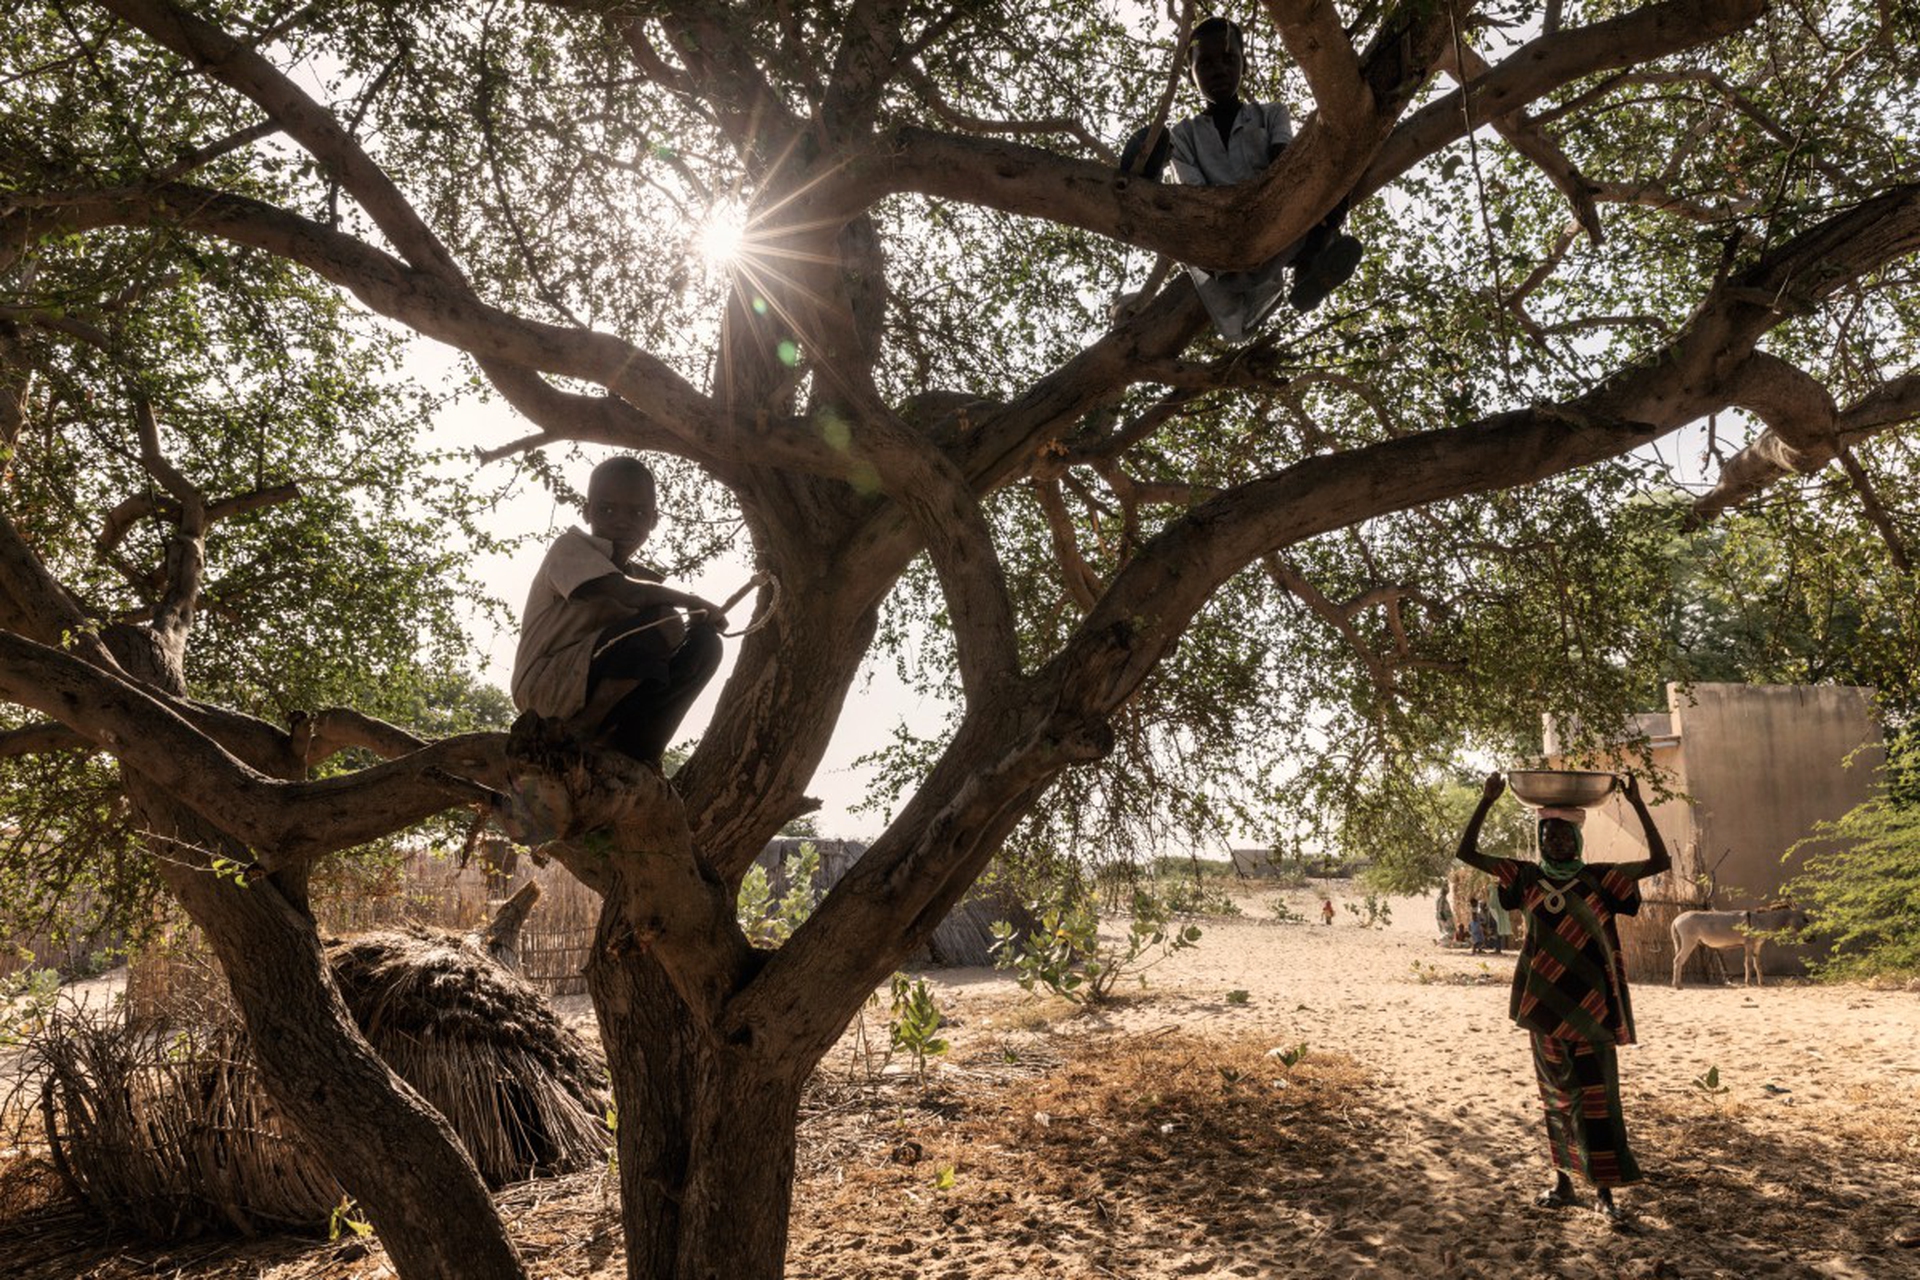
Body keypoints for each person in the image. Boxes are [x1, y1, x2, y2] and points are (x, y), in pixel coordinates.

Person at [1456, 771, 1671, 1223]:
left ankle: (1604, 1191)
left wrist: (1636, 803)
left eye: (1563, 834)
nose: (1555, 841)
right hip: (1544, 1008)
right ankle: (1563, 1182)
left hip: (1593, 1009)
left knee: (1597, 1100)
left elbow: (1659, 859)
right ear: (1540, 839)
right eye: (1548, 834)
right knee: (1556, 1098)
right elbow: (1467, 853)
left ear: (1577, 838)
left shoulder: (1601, 879)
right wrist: (1487, 800)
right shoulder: (1525, 878)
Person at [1116, 16, 1365, 338]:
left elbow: (1287, 163)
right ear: (1191, 76)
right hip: (1220, 243)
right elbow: (1193, 196)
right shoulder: (1183, 135)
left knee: (1330, 163)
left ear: (1244, 66)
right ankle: (1140, 174)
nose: (1218, 69)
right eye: (1205, 63)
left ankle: (1312, 263)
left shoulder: (1271, 113)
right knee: (1159, 144)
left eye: (1229, 59)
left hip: (1280, 225)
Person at [511, 456, 727, 769]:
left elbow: (648, 630)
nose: (622, 522)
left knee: (706, 644)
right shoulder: (570, 549)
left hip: (595, 686)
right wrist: (692, 601)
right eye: (607, 510)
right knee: (664, 619)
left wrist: (694, 623)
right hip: (546, 690)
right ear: (587, 512)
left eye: (637, 513)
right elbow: (631, 593)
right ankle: (582, 730)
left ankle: (639, 749)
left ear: (654, 519)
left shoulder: (643, 579)